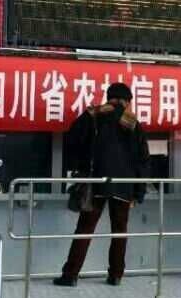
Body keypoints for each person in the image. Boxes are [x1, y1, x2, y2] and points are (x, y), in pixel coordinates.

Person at [54, 83, 149, 287]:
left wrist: (80, 167)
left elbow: (72, 139)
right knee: (119, 231)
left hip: (96, 183)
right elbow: (142, 160)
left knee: (85, 229)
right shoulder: (132, 122)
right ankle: (116, 275)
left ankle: (70, 275)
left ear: (109, 97)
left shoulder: (94, 115)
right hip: (123, 185)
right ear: (126, 101)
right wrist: (138, 192)